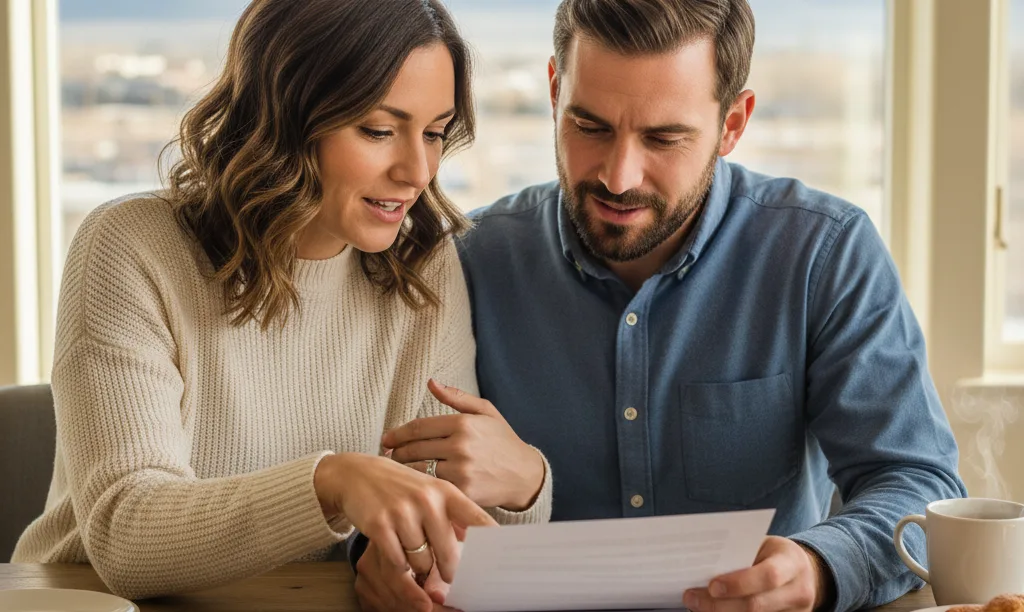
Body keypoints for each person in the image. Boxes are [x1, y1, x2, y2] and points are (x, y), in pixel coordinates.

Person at [350, 1, 967, 611]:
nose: (619, 177)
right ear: (554, 89)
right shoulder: (467, 260)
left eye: (664, 137)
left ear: (733, 123)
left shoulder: (824, 253)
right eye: (590, 126)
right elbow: (389, 488)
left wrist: (818, 568)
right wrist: (381, 553)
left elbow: (917, 485)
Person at [12, 0, 552, 600]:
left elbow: (442, 519)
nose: (418, 170)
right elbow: (126, 535)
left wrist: (526, 487)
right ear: (286, 117)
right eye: (378, 130)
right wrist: (332, 481)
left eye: (434, 133)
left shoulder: (419, 263)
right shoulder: (131, 247)